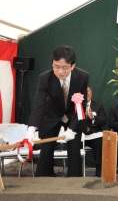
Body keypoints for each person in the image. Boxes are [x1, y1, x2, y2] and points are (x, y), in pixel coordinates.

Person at [26, 45, 89, 177]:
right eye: (56, 66)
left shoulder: (82, 76)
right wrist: (31, 130)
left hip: (73, 115)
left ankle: (74, 181)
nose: (60, 71)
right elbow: (39, 103)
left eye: (64, 67)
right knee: (46, 150)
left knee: (74, 149)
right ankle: (44, 180)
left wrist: (71, 130)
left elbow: (80, 105)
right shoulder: (45, 78)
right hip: (52, 115)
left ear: (72, 65)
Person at [84, 86, 106, 177]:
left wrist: (93, 118)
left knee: (99, 142)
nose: (87, 94)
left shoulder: (98, 105)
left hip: (94, 135)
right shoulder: (76, 105)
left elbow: (103, 120)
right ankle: (76, 170)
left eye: (88, 91)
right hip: (81, 135)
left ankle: (99, 169)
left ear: (91, 92)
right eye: (84, 92)